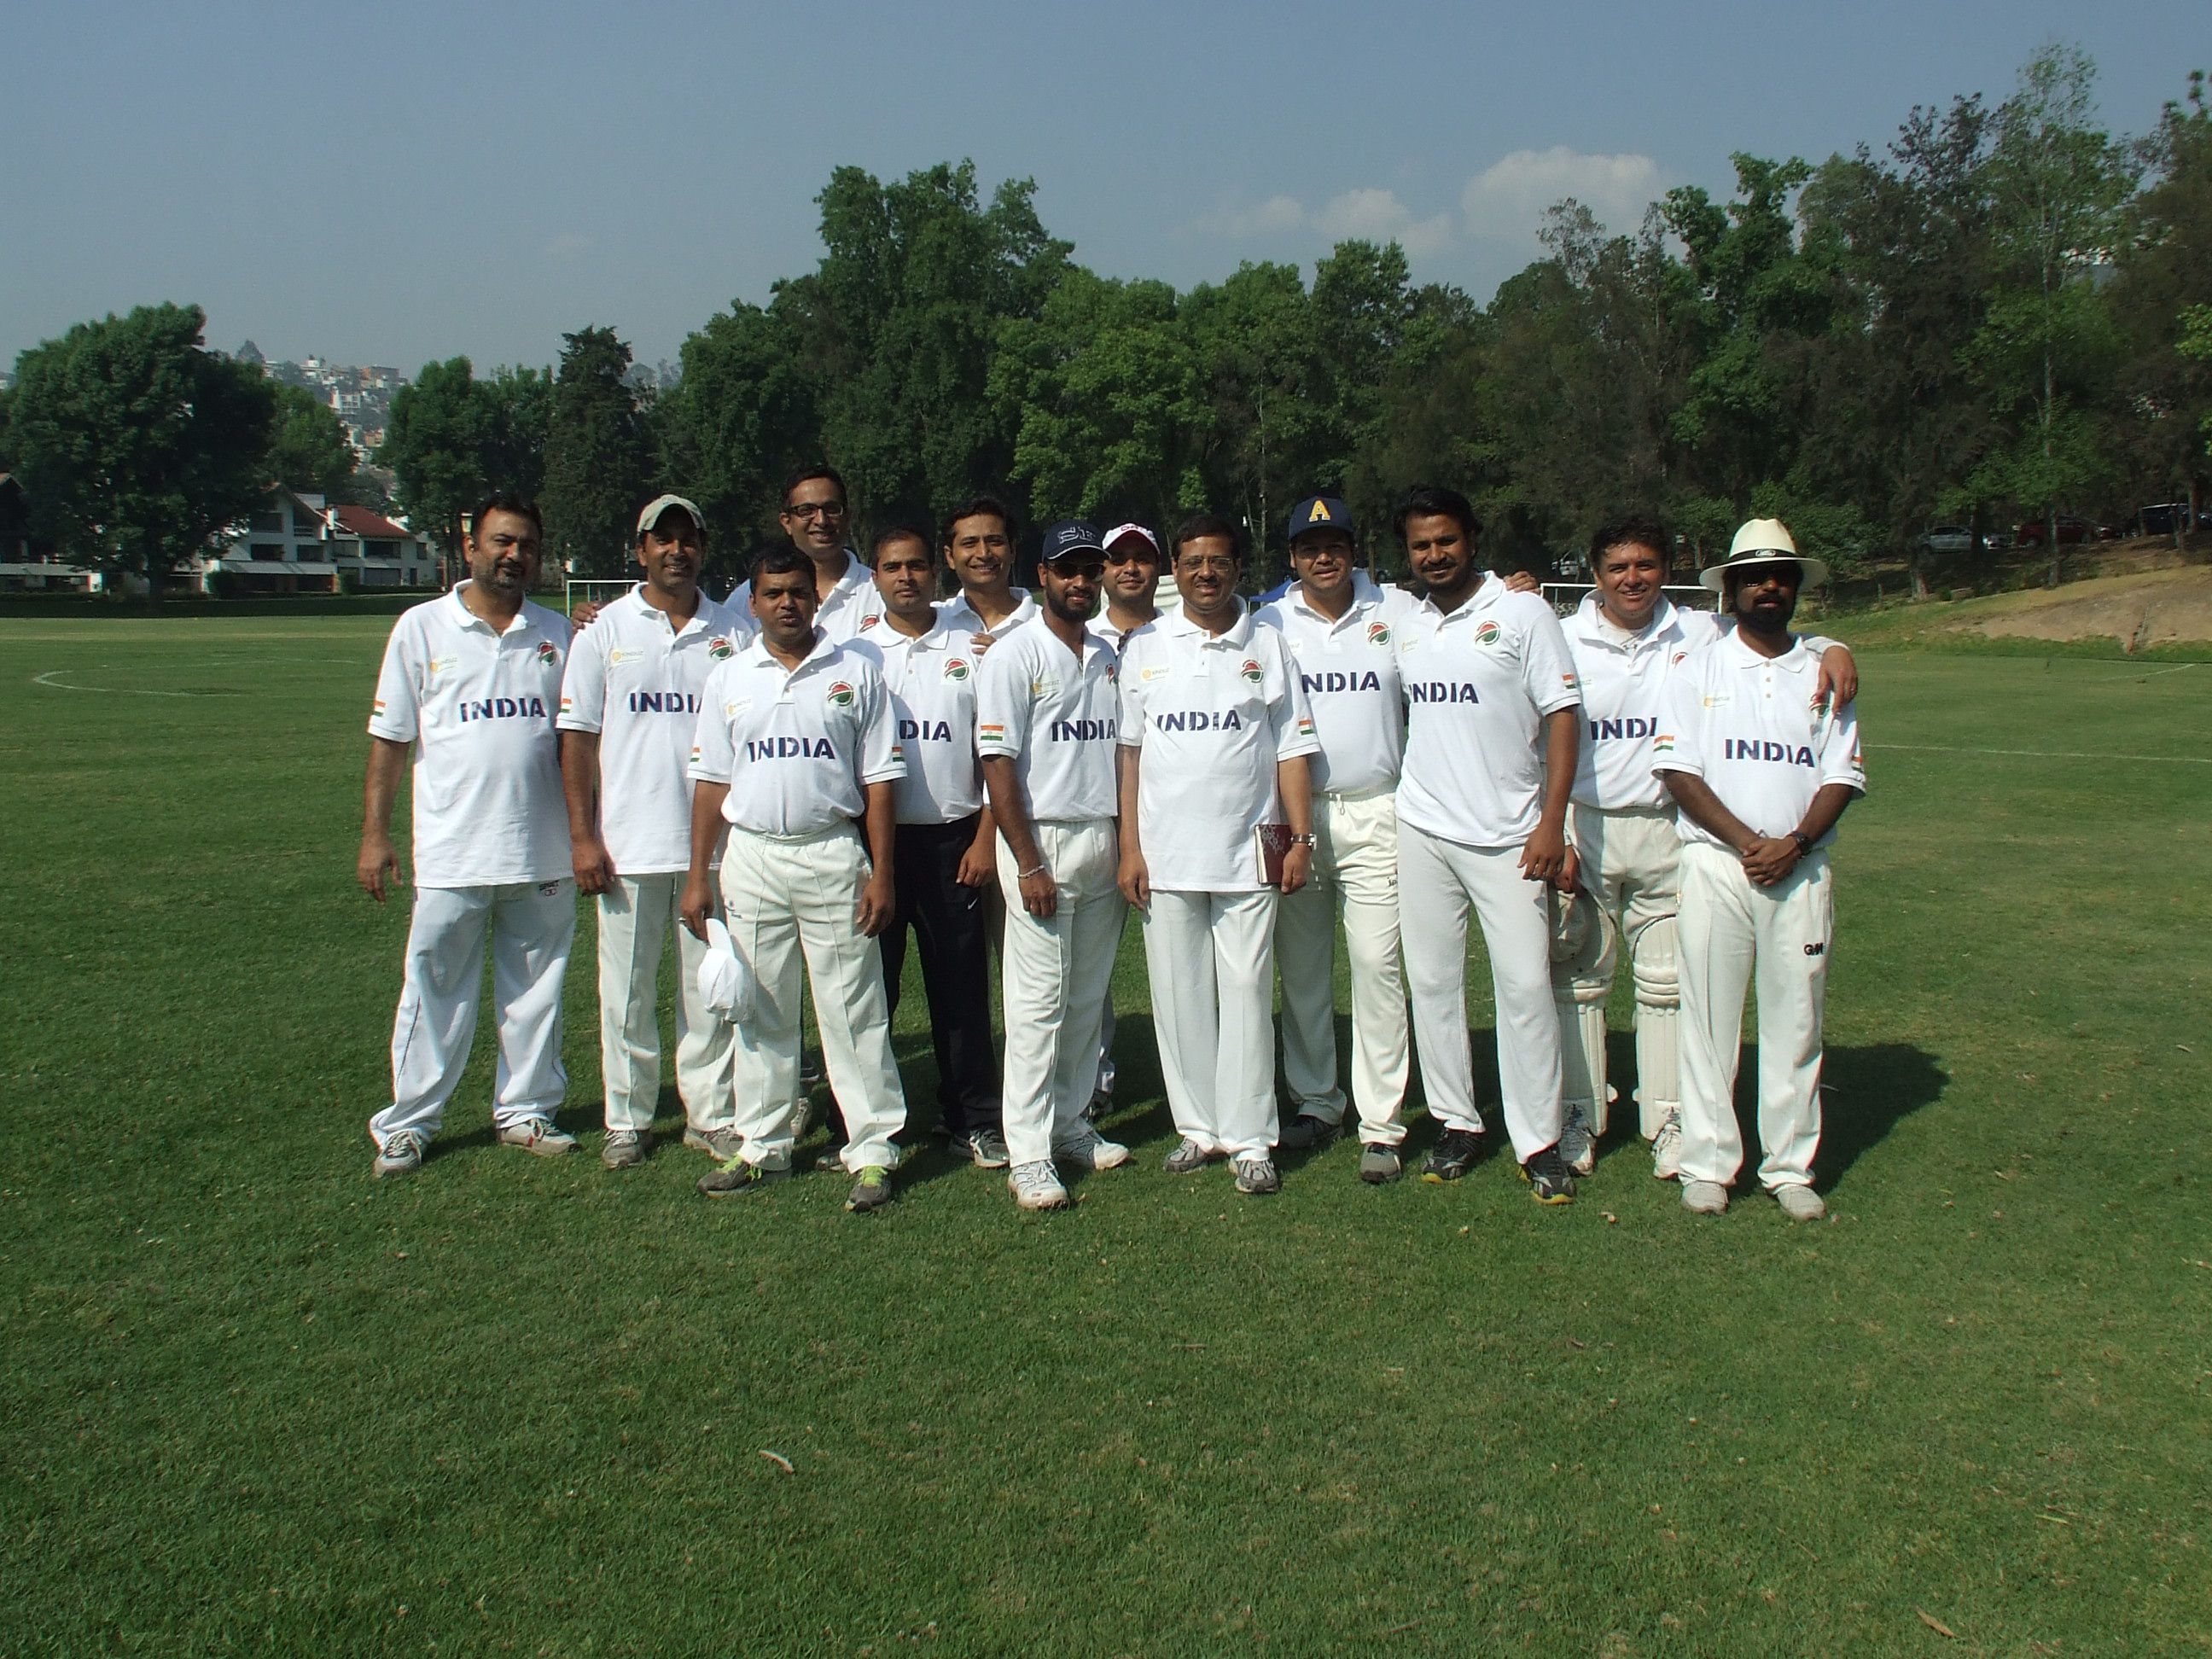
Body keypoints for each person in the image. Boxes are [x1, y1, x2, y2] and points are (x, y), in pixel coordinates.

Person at [1518, 520, 1858, 1180]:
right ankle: (1580, 1115)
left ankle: (1671, 1118)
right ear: (1595, 573)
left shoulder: (1700, 631)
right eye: (1618, 567)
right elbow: (1533, 734)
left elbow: (1776, 637)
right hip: (1586, 823)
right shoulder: (1560, 636)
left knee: (1669, 982)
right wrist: (1551, 826)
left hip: (1668, 824)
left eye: (1646, 565)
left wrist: (1833, 645)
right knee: (1580, 975)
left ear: (1665, 569)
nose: (1633, 579)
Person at [679, 548, 908, 1213]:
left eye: (798, 592)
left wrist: (882, 871)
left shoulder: (857, 671)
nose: (787, 603)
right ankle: (763, 1143)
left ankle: (871, 1149)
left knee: (853, 1008)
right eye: (773, 593)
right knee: (761, 1006)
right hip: (751, 854)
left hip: (833, 852)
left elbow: (880, 780)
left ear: (815, 598)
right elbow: (712, 782)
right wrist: (700, 873)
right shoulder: (730, 678)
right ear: (752, 603)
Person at [358, 493, 575, 1177]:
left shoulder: (559, 634)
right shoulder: (421, 629)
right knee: (434, 989)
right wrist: (375, 834)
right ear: (471, 544)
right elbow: (391, 740)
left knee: (535, 989)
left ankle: (526, 1109)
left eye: (527, 547)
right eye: (502, 542)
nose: (514, 556)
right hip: (452, 851)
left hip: (542, 847)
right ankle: (409, 1123)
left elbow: (583, 740)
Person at [1656, 519, 1865, 1220]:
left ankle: (1789, 1165)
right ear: (1732, 589)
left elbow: (1840, 774)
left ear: (1797, 587)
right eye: (1753, 577)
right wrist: (1751, 842)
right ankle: (1709, 1162)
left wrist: (1796, 842)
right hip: (1718, 864)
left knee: (1797, 1019)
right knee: (1709, 1018)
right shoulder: (1699, 666)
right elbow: (1679, 770)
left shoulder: (1825, 668)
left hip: (1801, 871)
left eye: (1780, 576)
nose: (1767, 587)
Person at [1388, 485, 1582, 1203]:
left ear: (1472, 537)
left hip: (1512, 835)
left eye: (1445, 540)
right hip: (1425, 827)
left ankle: (1538, 1141)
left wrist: (1551, 822)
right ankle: (1457, 1123)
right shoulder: (1403, 617)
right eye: (1420, 545)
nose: (1434, 555)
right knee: (1434, 983)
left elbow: (1564, 717)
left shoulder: (1523, 611)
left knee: (1525, 986)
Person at [1118, 514, 1319, 1195]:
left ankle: (1252, 1136)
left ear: (1239, 569)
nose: (1206, 573)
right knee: (1179, 1000)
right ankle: (1198, 1129)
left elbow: (1291, 749)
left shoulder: (1268, 642)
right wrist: (1130, 847)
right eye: (1194, 562)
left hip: (1247, 854)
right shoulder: (1145, 646)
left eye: (1219, 563)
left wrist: (1298, 839)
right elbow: (1131, 752)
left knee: (1244, 994)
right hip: (1167, 856)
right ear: (1176, 570)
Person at [556, 494, 747, 1169]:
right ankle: (627, 1119)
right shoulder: (603, 631)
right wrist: (584, 836)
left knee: (710, 988)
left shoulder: (734, 631)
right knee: (628, 990)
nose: (676, 550)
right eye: (661, 540)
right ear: (640, 551)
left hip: (715, 848)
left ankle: (711, 1114)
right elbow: (578, 739)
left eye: (687, 538)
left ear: (702, 546)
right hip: (629, 843)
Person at [1255, 496, 1416, 1182]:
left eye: (1337, 544)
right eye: (1310, 546)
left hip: (1375, 807)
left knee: (1378, 967)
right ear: (1292, 558)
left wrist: (1519, 587)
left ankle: (1381, 1123)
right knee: (1303, 969)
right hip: (1293, 819)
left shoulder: (1396, 610)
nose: (1325, 556)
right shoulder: (1266, 620)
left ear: (1356, 550)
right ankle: (1319, 1101)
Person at [976, 521, 1132, 1209]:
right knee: (1037, 1006)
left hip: (1100, 837)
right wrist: (1029, 861)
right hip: (1040, 846)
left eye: (1088, 570)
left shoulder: (1106, 654)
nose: (1080, 582)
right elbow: (997, 763)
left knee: (1084, 1000)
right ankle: (1029, 1153)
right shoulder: (1014, 655)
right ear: (1041, 574)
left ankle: (1070, 1125)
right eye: (1067, 570)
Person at [844, 524, 1004, 1167]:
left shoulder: (973, 648)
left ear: (934, 574)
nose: (905, 577)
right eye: (891, 567)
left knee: (959, 990)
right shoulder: (852, 654)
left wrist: (986, 836)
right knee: (866, 989)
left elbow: (997, 753)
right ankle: (856, 1124)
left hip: (954, 842)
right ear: (875, 577)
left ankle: (973, 1119)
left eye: (915, 566)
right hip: (872, 845)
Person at [1080, 522, 1167, 1118]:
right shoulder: (1077, 634)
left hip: (1167, 815)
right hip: (1094, 813)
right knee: (1090, 965)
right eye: (1118, 560)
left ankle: (1202, 1079)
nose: (1130, 569)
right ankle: (1093, 1079)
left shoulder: (1183, 633)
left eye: (1142, 559)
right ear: (1102, 571)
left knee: (1180, 957)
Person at [725, 465, 876, 641]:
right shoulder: (747, 597)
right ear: (786, 522)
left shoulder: (879, 592)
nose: (821, 520)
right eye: (807, 511)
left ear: (848, 517)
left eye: (831, 509)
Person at [935, 494, 1037, 649]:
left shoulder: (1044, 624)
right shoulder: (933, 622)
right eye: (970, 543)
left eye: (995, 542)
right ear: (950, 557)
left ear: (1013, 551)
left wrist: (1009, 661)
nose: (983, 553)